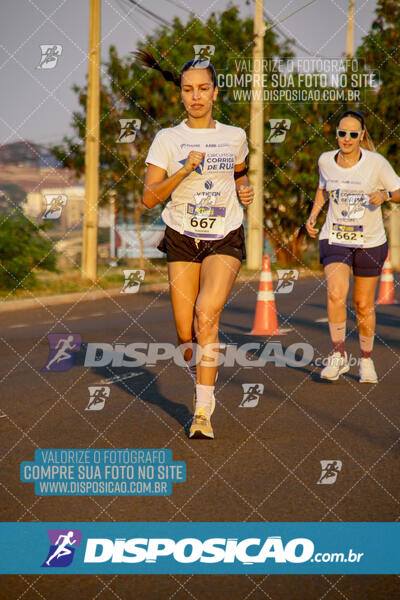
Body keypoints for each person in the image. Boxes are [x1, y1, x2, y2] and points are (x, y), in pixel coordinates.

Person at [138, 51, 254, 438]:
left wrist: (243, 188)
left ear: (215, 92)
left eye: (203, 88)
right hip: (182, 237)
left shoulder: (235, 136)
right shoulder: (168, 140)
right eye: (188, 90)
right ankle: (200, 379)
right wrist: (185, 169)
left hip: (224, 234)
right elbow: (149, 198)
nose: (196, 96)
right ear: (181, 96)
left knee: (207, 315)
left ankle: (202, 409)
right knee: (184, 334)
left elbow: (239, 171)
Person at [306, 109, 400, 383]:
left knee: (362, 305)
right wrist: (313, 215)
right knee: (336, 293)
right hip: (335, 236)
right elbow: (323, 190)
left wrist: (384, 195)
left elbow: (398, 190)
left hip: (369, 241)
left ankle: (366, 360)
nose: (346, 139)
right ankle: (338, 356)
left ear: (362, 136)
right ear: (336, 134)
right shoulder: (325, 160)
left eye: (352, 134)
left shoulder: (376, 163)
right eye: (341, 133)